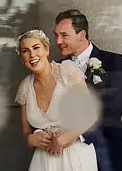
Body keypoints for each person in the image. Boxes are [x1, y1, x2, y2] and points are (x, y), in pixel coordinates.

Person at [53, 10, 122, 171]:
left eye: (64, 35)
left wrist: (77, 134)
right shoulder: (57, 68)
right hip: (69, 153)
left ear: (82, 34)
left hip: (108, 146)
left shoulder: (113, 61)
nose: (58, 41)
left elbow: (113, 108)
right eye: (56, 35)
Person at [15, 28, 98, 171]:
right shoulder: (25, 87)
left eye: (36, 48)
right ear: (22, 59)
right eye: (25, 51)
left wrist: (65, 138)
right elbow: (26, 132)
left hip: (75, 154)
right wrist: (30, 139)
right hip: (43, 159)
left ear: (46, 50)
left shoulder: (67, 71)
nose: (32, 55)